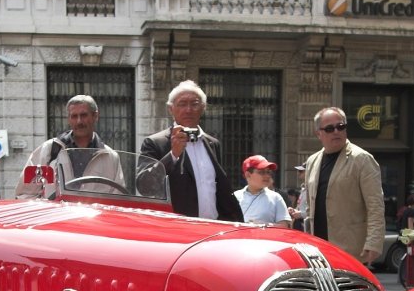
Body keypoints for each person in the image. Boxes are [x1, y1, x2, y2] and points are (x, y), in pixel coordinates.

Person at [140, 80, 243, 221]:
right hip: (178, 228)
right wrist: (173, 155)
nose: (188, 110)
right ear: (171, 109)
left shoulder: (212, 144)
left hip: (213, 227)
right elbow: (145, 185)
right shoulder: (156, 143)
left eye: (194, 104)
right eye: (182, 104)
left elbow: (219, 188)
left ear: (203, 108)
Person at [303, 106, 385, 265]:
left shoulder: (362, 159)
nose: (336, 131)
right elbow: (310, 206)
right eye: (329, 128)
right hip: (319, 250)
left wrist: (373, 243)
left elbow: (375, 205)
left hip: (350, 250)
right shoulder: (312, 161)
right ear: (318, 133)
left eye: (341, 126)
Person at [16, 95, 123, 197]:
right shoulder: (49, 150)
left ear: (95, 116)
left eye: (84, 115)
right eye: (74, 116)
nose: (79, 121)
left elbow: (118, 199)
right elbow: (26, 193)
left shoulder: (110, 157)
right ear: (69, 119)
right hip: (57, 216)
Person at [234, 156, 291, 227]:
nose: (267, 176)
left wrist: (263, 226)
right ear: (248, 175)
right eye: (261, 172)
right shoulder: (235, 197)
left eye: (268, 172)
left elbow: (284, 227)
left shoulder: (276, 198)